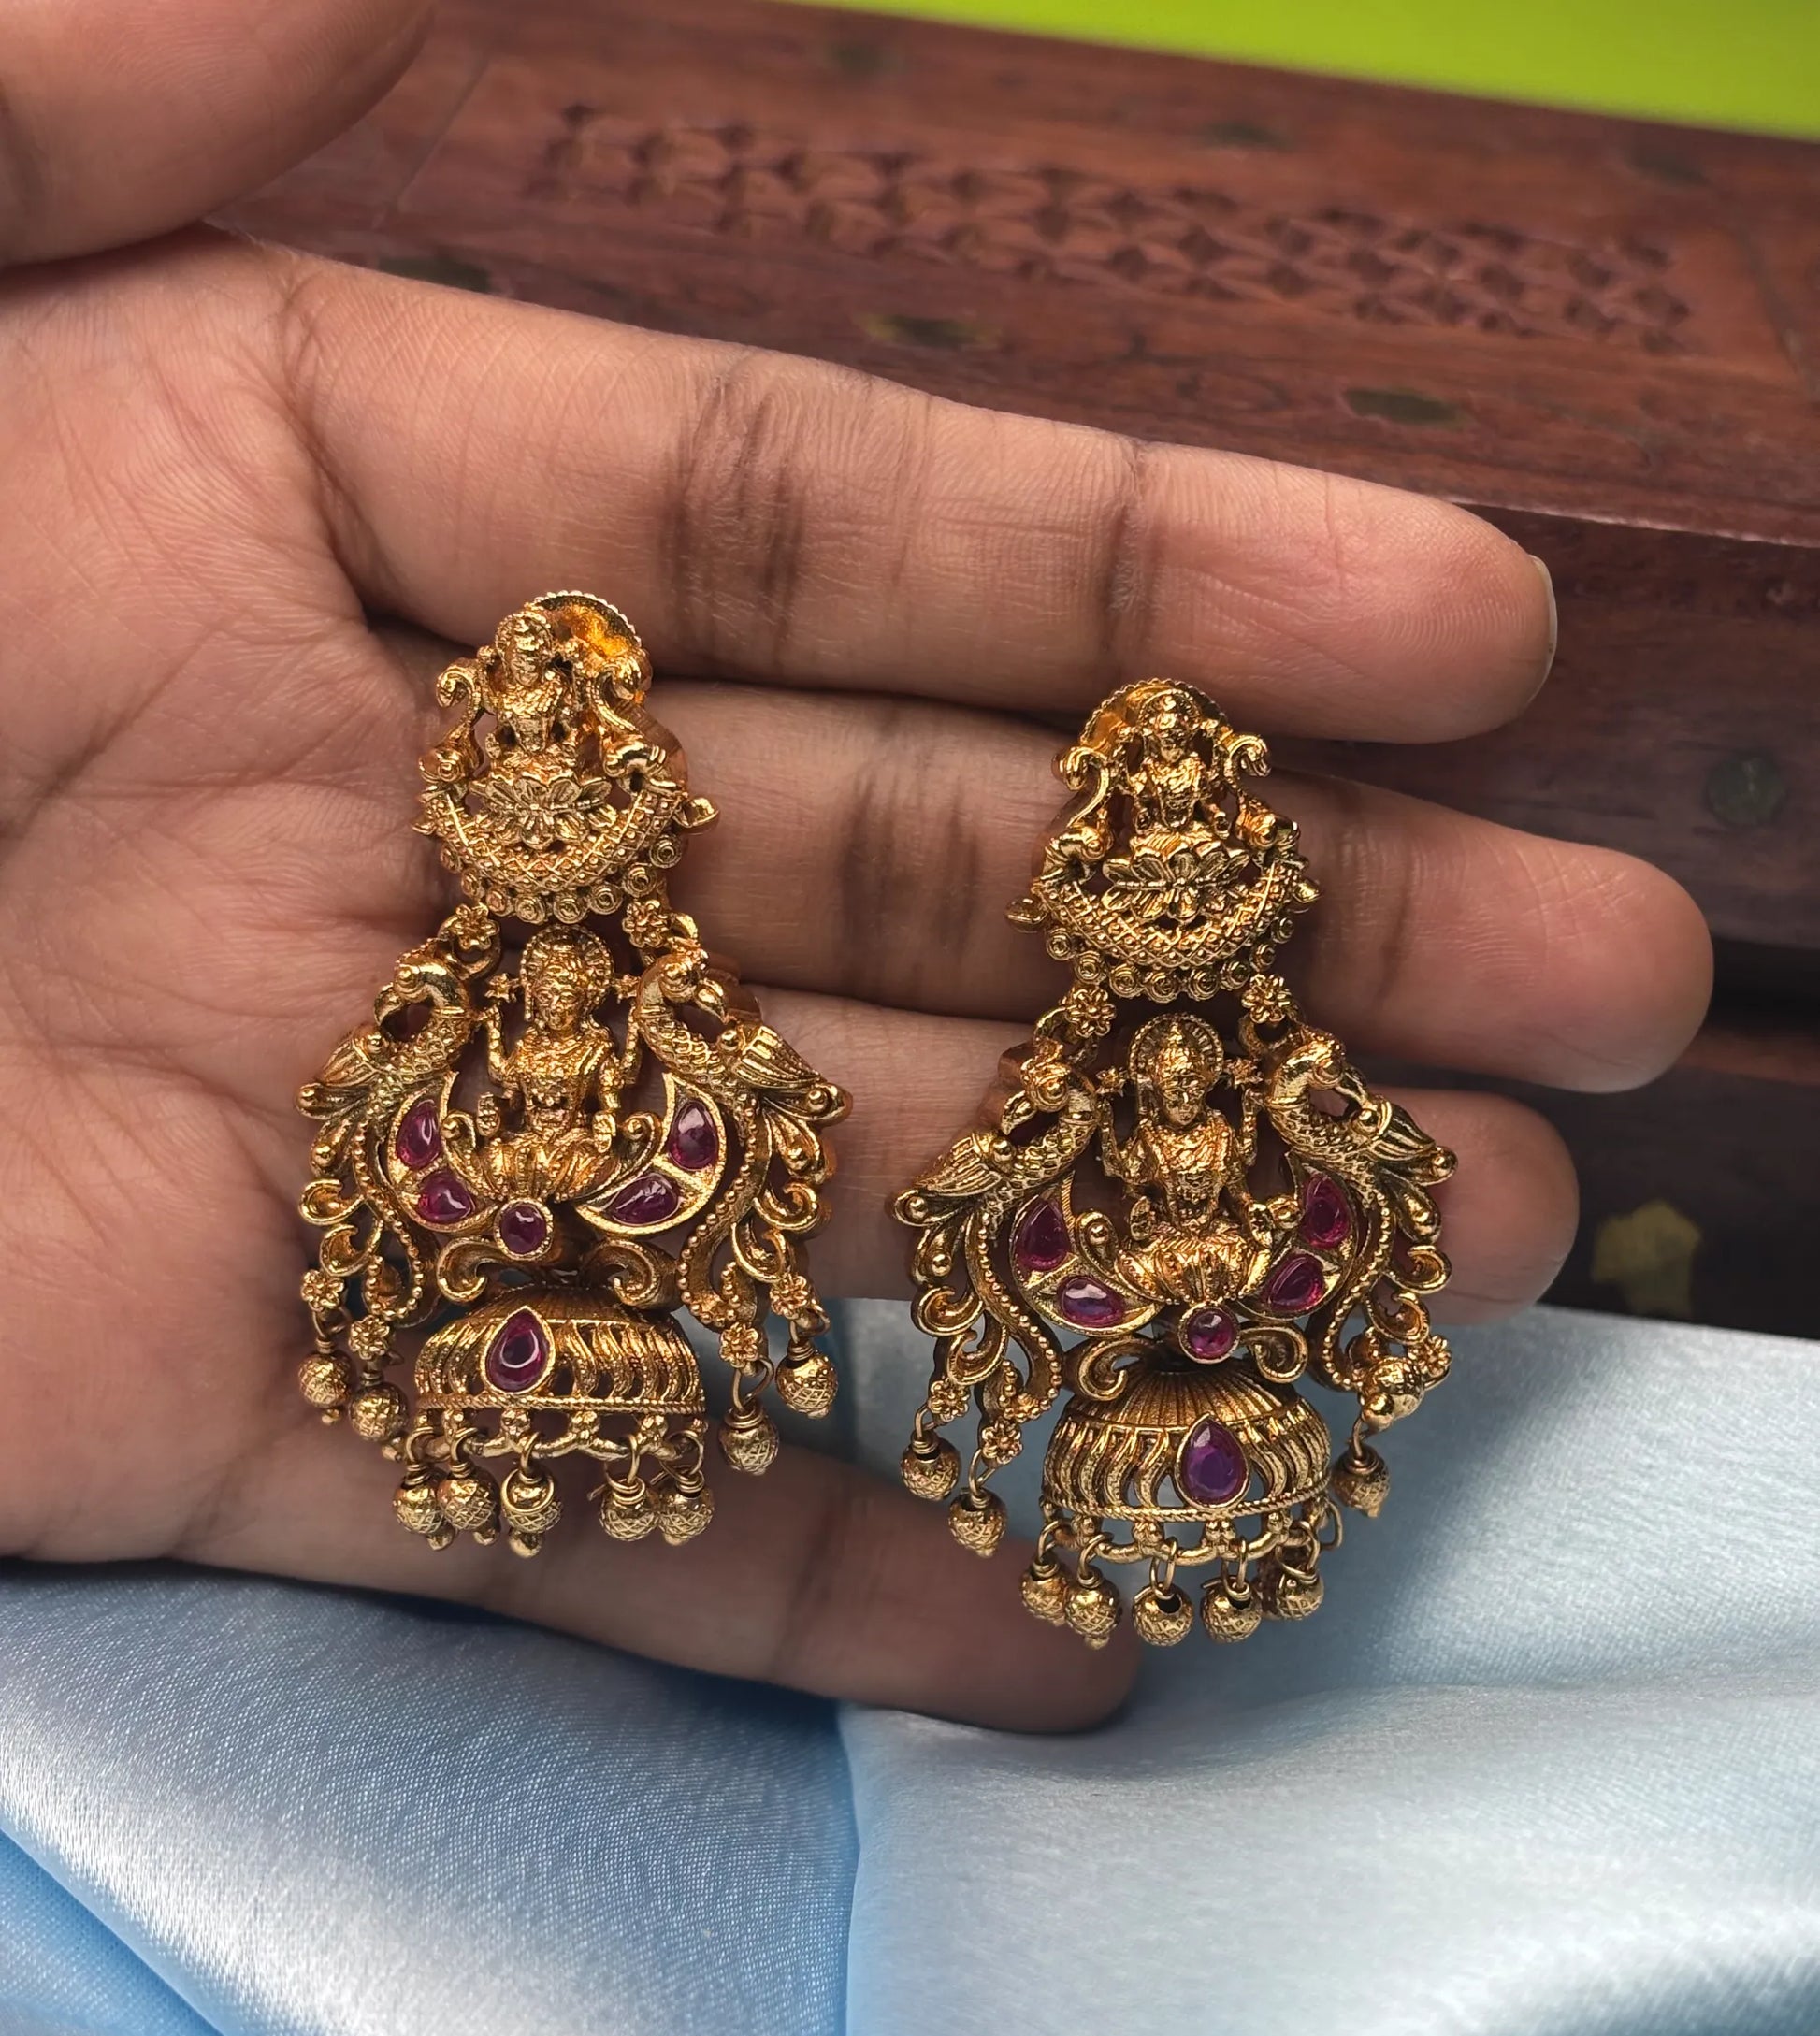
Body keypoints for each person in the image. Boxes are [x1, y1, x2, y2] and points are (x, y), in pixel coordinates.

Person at [0, 0, 1711, 1730]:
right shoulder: (473, 1042)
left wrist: (1192, 1265)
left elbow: (1068, 1210)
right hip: (541, 1288)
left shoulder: (1175, 1115)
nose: (1179, 1084)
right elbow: (497, 1159)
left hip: (1178, 1364)